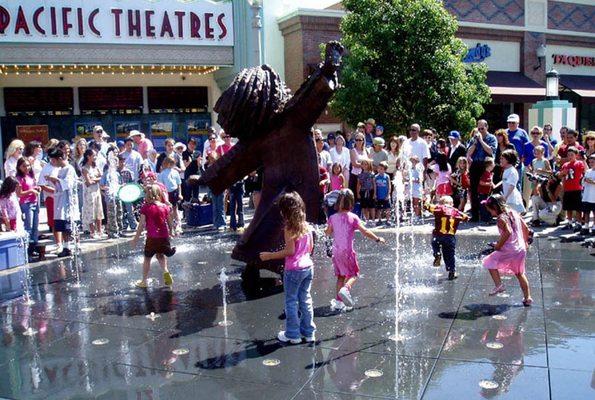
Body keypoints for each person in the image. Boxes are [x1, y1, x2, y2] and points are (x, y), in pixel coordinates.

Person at [259, 192, 316, 343]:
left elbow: (290, 251)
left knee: (291, 301)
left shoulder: (289, 228)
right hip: (308, 267)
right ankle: (309, 332)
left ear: (285, 211)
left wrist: (269, 256)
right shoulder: (307, 226)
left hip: (294, 270)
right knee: (305, 299)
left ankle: (292, 334)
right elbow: (310, 248)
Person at [325, 189, 385, 312]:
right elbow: (365, 231)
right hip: (347, 251)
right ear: (351, 203)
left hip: (336, 251)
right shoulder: (353, 217)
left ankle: (338, 302)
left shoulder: (332, 217)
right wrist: (377, 239)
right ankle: (346, 289)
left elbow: (327, 233)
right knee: (354, 274)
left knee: (340, 276)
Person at [481, 194, 533, 307]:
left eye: (490, 210)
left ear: (495, 208)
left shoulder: (501, 218)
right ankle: (527, 298)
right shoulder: (514, 212)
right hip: (520, 248)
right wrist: (525, 242)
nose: (490, 213)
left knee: (488, 262)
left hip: (509, 249)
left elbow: (508, 232)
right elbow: (526, 229)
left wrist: (498, 246)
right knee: (520, 273)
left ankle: (499, 285)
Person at [132, 184, 176, 288]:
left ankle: (144, 281)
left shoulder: (145, 208)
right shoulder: (165, 207)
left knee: (147, 258)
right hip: (164, 237)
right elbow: (170, 222)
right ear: (160, 194)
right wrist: (171, 232)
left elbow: (141, 224)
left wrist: (136, 238)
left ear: (147, 196)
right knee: (161, 255)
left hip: (152, 238)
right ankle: (166, 271)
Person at [44, 149, 80, 257]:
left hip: (67, 201)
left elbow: (68, 184)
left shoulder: (69, 169)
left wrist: (55, 180)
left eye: (54, 161)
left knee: (68, 225)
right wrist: (53, 181)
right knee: (62, 226)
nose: (53, 163)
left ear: (59, 159)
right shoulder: (60, 169)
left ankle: (72, 246)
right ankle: (66, 246)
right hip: (60, 200)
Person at [427, 195, 469, 280]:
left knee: (434, 242)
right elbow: (466, 217)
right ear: (452, 203)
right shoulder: (455, 211)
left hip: (438, 235)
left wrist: (428, 198)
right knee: (449, 255)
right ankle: (452, 271)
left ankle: (437, 253)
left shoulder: (438, 208)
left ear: (440, 203)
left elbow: (427, 206)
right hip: (449, 237)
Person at [467, 120, 497, 221]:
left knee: (485, 192)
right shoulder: (474, 139)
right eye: (478, 129)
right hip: (475, 165)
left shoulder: (491, 138)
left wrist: (481, 141)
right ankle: (475, 215)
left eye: (482, 128)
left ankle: (486, 215)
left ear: (487, 127)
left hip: (486, 165)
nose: (480, 130)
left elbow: (491, 151)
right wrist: (475, 142)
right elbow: (469, 153)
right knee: (474, 191)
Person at [15, 157, 40, 255]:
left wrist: (36, 188)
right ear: (19, 167)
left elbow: (32, 187)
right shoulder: (19, 178)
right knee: (28, 227)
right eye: (23, 166)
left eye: (28, 165)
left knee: (35, 227)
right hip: (26, 204)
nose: (26, 168)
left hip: (35, 202)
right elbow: (19, 194)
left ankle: (33, 247)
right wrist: (31, 191)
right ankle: (26, 250)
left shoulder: (30, 176)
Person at [558, 146, 585, 229]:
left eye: (572, 155)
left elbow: (584, 172)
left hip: (577, 188)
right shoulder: (565, 165)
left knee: (578, 208)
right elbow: (560, 176)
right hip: (567, 189)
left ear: (576, 155)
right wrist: (562, 173)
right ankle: (569, 222)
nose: (570, 157)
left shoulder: (579, 163)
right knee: (568, 207)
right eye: (569, 155)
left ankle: (579, 223)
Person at [521, 126, 549, 207]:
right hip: (529, 169)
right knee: (527, 190)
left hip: (541, 169)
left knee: (541, 189)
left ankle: (541, 209)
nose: (535, 135)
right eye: (533, 133)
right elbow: (523, 158)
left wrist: (542, 170)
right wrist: (529, 167)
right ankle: (525, 209)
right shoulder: (526, 145)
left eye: (537, 133)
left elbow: (546, 157)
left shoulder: (545, 145)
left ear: (541, 134)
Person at [81, 149, 105, 239]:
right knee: (91, 211)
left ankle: (99, 230)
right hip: (89, 193)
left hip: (97, 191)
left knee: (98, 210)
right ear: (88, 156)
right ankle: (92, 231)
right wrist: (95, 179)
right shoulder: (85, 168)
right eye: (93, 155)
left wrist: (94, 179)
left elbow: (100, 177)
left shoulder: (95, 167)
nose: (95, 157)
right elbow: (88, 182)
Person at [100, 151, 123, 238]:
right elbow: (101, 186)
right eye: (114, 162)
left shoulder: (117, 174)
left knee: (119, 213)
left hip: (118, 196)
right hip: (110, 197)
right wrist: (108, 189)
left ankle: (120, 230)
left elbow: (119, 184)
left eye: (116, 162)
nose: (116, 164)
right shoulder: (106, 174)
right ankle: (112, 232)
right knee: (111, 215)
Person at [158, 156, 183, 233]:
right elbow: (161, 186)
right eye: (170, 163)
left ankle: (178, 224)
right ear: (166, 163)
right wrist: (163, 196)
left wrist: (180, 194)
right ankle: (170, 225)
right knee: (169, 210)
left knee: (175, 208)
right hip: (166, 193)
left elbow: (179, 184)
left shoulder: (175, 172)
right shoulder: (162, 174)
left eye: (172, 163)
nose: (171, 165)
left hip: (174, 191)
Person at [500, 150, 525, 214]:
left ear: (508, 159)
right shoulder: (506, 170)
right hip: (508, 199)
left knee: (514, 217)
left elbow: (512, 185)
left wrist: (506, 196)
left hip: (512, 199)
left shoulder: (512, 171)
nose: (500, 160)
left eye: (502, 158)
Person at [118, 155, 138, 231]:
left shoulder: (128, 171)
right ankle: (124, 224)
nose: (121, 163)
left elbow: (132, 182)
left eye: (122, 161)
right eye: (120, 161)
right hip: (119, 193)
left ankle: (133, 224)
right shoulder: (115, 172)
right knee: (121, 210)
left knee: (129, 209)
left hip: (127, 193)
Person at [356, 159, 375, 223]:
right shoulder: (360, 174)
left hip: (370, 191)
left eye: (366, 164)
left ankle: (373, 219)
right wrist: (358, 193)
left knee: (371, 206)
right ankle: (366, 219)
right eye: (363, 164)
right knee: (364, 206)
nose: (364, 165)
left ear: (369, 165)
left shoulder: (372, 174)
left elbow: (374, 184)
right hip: (363, 191)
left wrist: (374, 193)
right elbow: (358, 184)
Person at [478, 157, 495, 223]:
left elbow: (491, 181)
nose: (494, 165)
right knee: (483, 206)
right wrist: (489, 184)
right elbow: (481, 182)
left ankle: (488, 218)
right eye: (493, 163)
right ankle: (485, 219)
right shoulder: (485, 173)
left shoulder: (490, 173)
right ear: (489, 165)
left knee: (487, 206)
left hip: (487, 193)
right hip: (483, 193)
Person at [374, 161, 392, 226]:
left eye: (381, 169)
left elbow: (389, 186)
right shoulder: (376, 177)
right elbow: (375, 186)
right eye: (378, 168)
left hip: (386, 196)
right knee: (379, 209)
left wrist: (388, 194)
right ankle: (379, 220)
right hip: (379, 195)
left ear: (385, 170)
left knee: (387, 208)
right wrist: (375, 194)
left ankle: (388, 220)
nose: (379, 170)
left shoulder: (387, 177)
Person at [408, 155, 424, 219]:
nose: (411, 163)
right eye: (411, 161)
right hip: (411, 188)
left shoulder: (419, 169)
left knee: (416, 201)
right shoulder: (410, 169)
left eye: (413, 161)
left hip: (417, 188)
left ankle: (417, 215)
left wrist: (413, 179)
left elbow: (420, 179)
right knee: (413, 202)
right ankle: (415, 214)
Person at [582, 155, 595, 232]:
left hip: (594, 197)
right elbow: (583, 183)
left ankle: (594, 226)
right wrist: (585, 180)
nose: (591, 163)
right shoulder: (588, 171)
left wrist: (592, 182)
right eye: (589, 162)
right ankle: (586, 226)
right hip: (587, 196)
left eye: (593, 162)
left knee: (594, 212)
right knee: (586, 212)